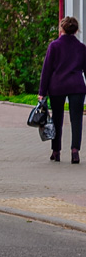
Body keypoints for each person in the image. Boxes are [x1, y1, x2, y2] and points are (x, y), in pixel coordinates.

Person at [39, 15, 86, 163]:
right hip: (77, 86)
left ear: (61, 29)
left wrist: (42, 92)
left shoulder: (54, 46)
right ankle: (75, 151)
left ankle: (56, 151)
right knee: (77, 119)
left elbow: (46, 70)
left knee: (57, 118)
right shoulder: (82, 48)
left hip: (57, 86)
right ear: (76, 30)